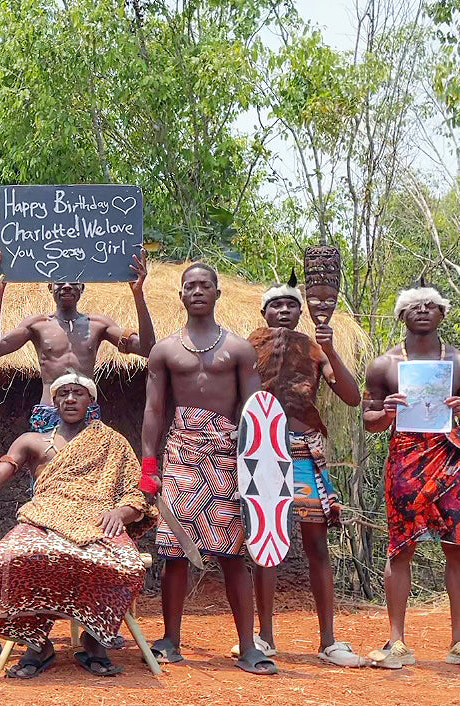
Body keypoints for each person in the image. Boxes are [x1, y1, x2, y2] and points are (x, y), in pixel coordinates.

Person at [0, 373, 155, 678]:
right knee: (12, 557)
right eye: (64, 393)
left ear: (90, 401)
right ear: (53, 401)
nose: (70, 399)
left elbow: (136, 492)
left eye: (78, 393)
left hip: (96, 519)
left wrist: (120, 513)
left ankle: (94, 641)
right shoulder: (32, 441)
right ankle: (37, 645)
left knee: (123, 565)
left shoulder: (113, 442)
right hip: (42, 518)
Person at [138, 263, 276, 675]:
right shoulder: (164, 350)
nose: (197, 291)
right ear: (180, 295)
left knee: (233, 553)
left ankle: (248, 645)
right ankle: (170, 639)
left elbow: (257, 411)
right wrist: (149, 466)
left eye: (205, 286)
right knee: (174, 551)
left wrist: (256, 462)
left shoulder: (238, 350)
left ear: (217, 294)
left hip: (227, 455)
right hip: (180, 453)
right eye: (190, 286)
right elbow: (153, 410)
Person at [362, 281, 460, 671]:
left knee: (456, 546)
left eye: (431, 305)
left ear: (441, 314)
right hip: (405, 460)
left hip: (452, 459)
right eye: (414, 306)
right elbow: (369, 421)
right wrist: (385, 411)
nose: (423, 310)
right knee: (400, 547)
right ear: (402, 316)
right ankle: (396, 641)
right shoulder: (384, 365)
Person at [240, 271, 363, 667]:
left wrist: (331, 350)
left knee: (315, 543)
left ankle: (328, 640)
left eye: (292, 304)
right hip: (263, 453)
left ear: (300, 312)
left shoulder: (314, 349)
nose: (284, 310)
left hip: (305, 450)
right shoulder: (247, 348)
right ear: (264, 310)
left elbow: (352, 396)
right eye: (276, 304)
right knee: (265, 541)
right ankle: (264, 637)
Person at [0, 249, 155, 431]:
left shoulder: (98, 325)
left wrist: (138, 294)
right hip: (49, 410)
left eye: (74, 281)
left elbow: (146, 348)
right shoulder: (37, 325)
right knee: (47, 460)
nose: (66, 285)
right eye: (59, 280)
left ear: (82, 287)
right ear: (49, 286)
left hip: (86, 413)